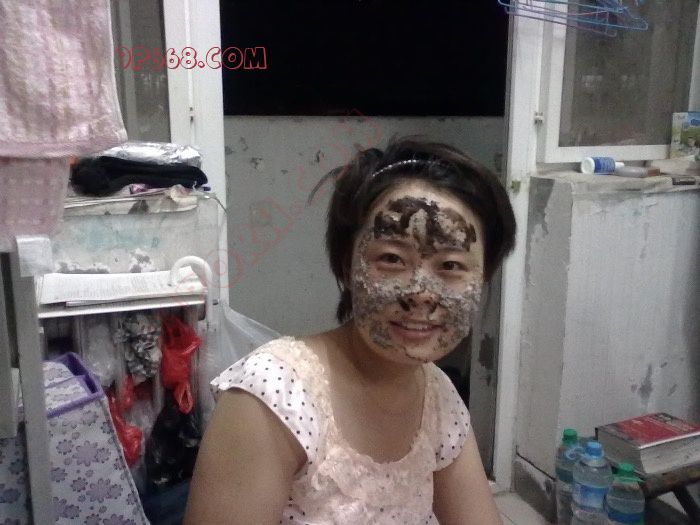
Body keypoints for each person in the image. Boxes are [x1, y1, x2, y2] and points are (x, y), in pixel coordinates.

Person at [185, 136, 516, 524]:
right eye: (392, 258)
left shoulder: (439, 399)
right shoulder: (273, 397)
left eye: (451, 266)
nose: (421, 294)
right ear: (347, 265)